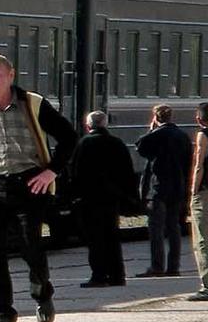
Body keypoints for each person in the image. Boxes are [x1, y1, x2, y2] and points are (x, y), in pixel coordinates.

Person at [0, 52, 77, 322]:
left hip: (29, 183)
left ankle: (42, 296)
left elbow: (69, 137)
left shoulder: (33, 104)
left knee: (30, 247)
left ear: (11, 76)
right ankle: (4, 312)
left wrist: (51, 171)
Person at [68, 110, 135, 287]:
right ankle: (117, 276)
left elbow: (75, 172)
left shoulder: (84, 144)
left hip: (90, 199)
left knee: (95, 239)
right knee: (112, 236)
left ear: (88, 125)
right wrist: (127, 196)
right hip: (111, 198)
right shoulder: (117, 143)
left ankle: (98, 275)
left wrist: (72, 196)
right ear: (105, 124)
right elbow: (127, 172)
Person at [135, 104, 192, 278]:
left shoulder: (156, 135)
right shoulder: (182, 136)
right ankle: (174, 267)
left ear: (155, 118)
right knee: (174, 227)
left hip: (158, 187)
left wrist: (151, 131)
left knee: (156, 228)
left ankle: (157, 266)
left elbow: (140, 147)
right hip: (177, 187)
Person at [188, 103, 208, 302]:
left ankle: (207, 285)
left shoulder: (203, 135)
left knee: (202, 239)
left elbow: (199, 165)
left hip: (205, 192)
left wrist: (194, 191)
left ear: (199, 119)